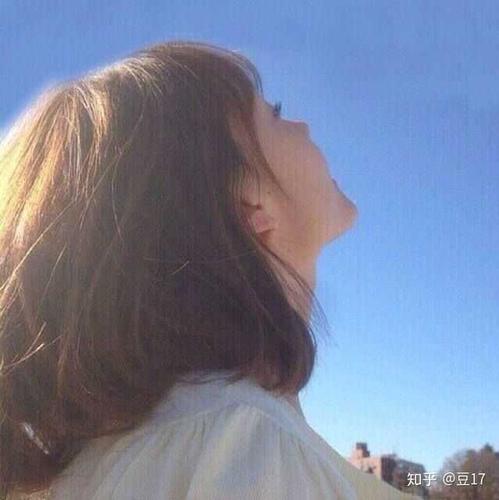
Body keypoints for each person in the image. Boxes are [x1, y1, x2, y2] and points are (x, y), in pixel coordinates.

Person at [0, 40, 419, 499]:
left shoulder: (103, 462)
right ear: (249, 202)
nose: (304, 125)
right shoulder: (253, 450)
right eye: (275, 114)